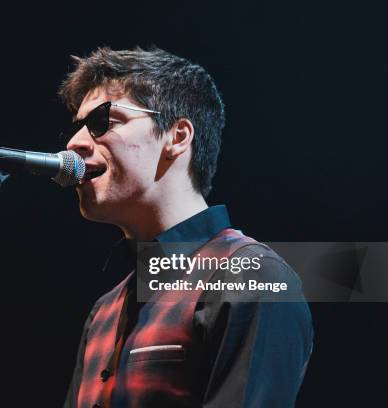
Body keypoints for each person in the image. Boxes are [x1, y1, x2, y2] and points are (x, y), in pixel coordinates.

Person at [59, 47, 313, 408]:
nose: (75, 143)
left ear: (177, 137)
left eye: (103, 121)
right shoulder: (104, 310)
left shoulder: (251, 275)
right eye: (79, 126)